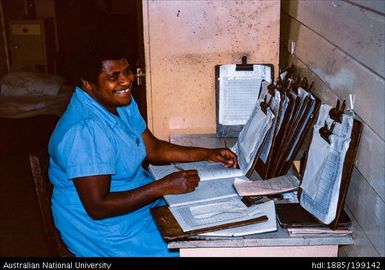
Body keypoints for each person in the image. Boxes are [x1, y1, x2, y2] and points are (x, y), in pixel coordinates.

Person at [48, 48, 238, 256]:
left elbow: (153, 149)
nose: (126, 81)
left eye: (127, 71)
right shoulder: (84, 131)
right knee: (195, 250)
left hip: (134, 208)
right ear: (87, 83)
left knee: (217, 221)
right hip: (107, 230)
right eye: (114, 76)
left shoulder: (119, 104)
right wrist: (162, 187)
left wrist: (207, 154)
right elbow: (98, 207)